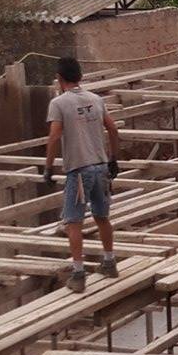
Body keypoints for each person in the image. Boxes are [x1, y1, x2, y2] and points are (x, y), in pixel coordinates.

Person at [44, 56, 122, 293]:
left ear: (60, 78)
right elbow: (113, 129)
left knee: (73, 222)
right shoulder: (96, 99)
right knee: (102, 216)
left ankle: (78, 274)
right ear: (79, 76)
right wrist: (113, 159)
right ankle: (109, 262)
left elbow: (54, 136)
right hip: (101, 168)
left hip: (79, 171)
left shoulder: (59, 103)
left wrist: (48, 167)